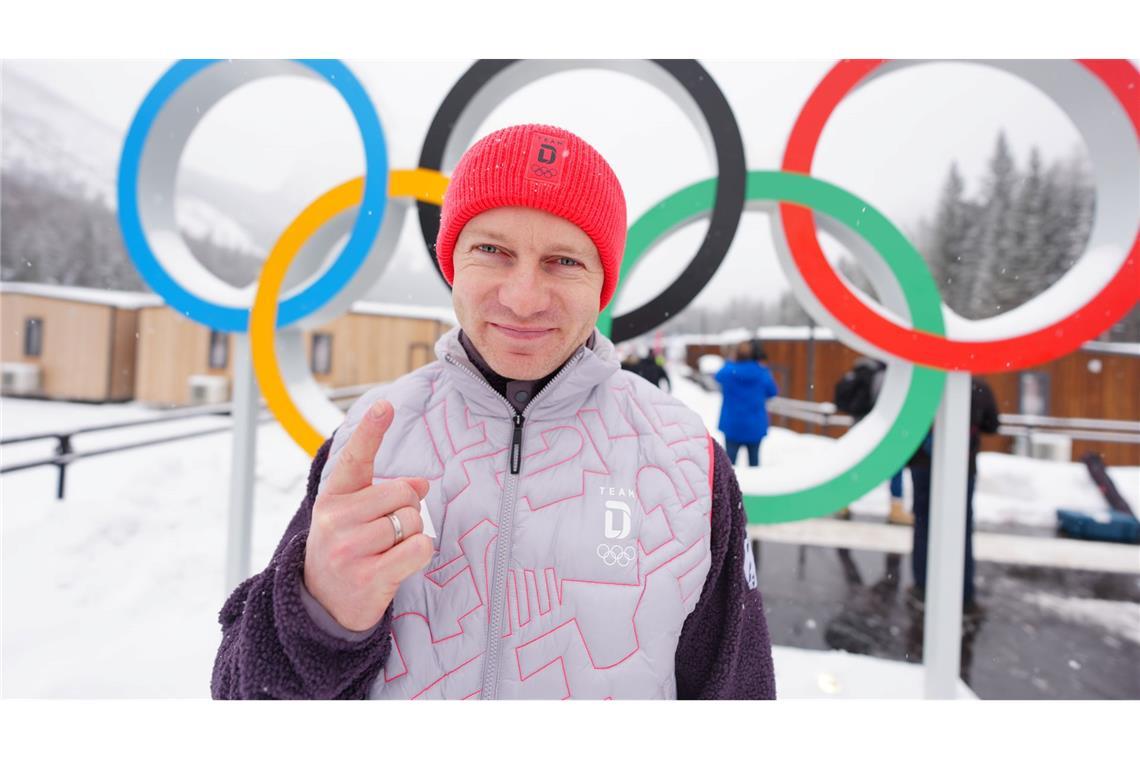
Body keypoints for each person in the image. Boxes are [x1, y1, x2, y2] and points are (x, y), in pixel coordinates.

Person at [210, 124, 775, 700]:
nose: (523, 298)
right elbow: (239, 696)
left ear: (603, 282)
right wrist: (319, 616)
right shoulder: (370, 441)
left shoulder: (689, 462)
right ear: (452, 262)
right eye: (492, 251)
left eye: (563, 261)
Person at [907, 377, 1000, 617]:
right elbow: (992, 425)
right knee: (961, 529)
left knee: (923, 524)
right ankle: (964, 594)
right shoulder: (976, 386)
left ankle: (923, 586)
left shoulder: (923, 384)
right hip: (962, 466)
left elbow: (907, 422)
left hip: (923, 464)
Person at [832, 357, 912, 525]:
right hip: (879, 427)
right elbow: (884, 403)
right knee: (895, 466)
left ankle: (842, 503)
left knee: (854, 466)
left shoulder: (857, 372)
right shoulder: (884, 375)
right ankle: (896, 508)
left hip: (858, 426)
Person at [714, 340, 779, 468]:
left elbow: (717, 377)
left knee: (729, 466)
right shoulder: (762, 373)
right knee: (754, 464)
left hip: (733, 425)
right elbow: (772, 392)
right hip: (755, 425)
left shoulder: (728, 371)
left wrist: (730, 361)